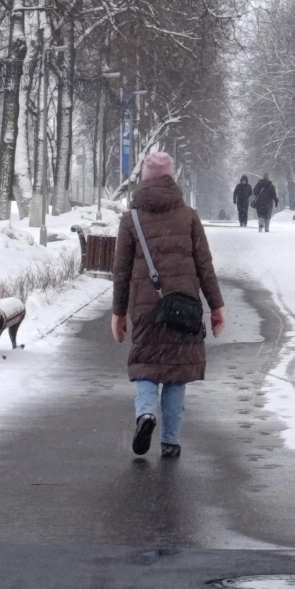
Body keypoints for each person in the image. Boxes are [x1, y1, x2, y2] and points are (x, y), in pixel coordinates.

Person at [112, 152, 226, 458]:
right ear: (171, 178)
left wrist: (118, 313)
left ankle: (146, 414)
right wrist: (216, 307)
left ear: (145, 179)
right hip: (183, 307)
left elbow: (121, 271)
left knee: (147, 370)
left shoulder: (131, 219)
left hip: (147, 309)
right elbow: (205, 266)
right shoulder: (188, 216)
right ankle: (171, 441)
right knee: (176, 375)